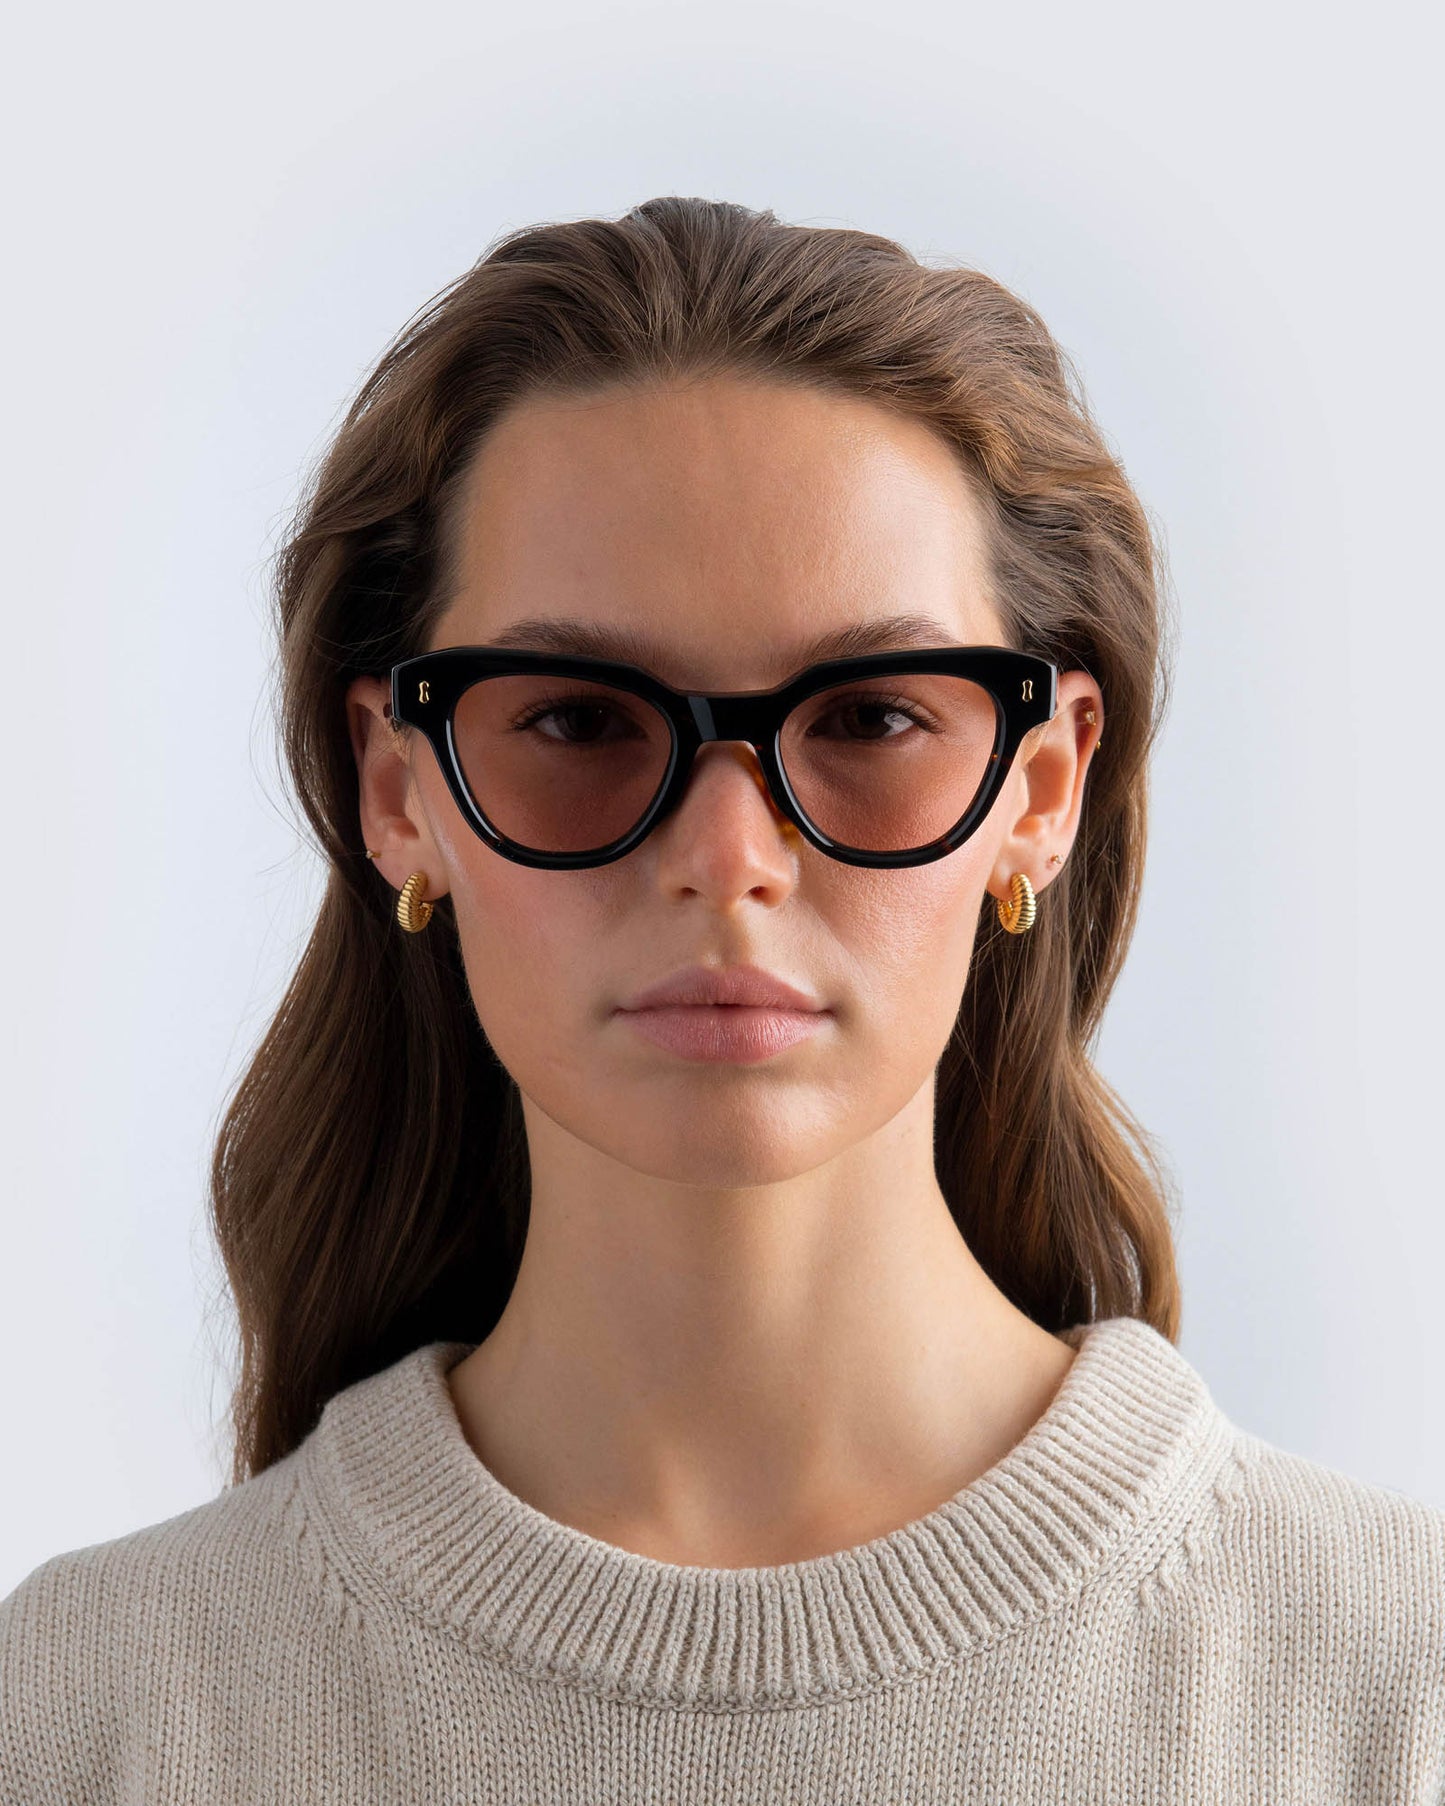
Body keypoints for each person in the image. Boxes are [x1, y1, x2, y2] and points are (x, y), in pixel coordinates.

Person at [3, 195, 1442, 1802]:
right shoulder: (84, 1712)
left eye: (875, 715)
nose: (726, 854)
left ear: (1040, 789)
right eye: (571, 720)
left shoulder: (1396, 1690)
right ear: (397, 788)